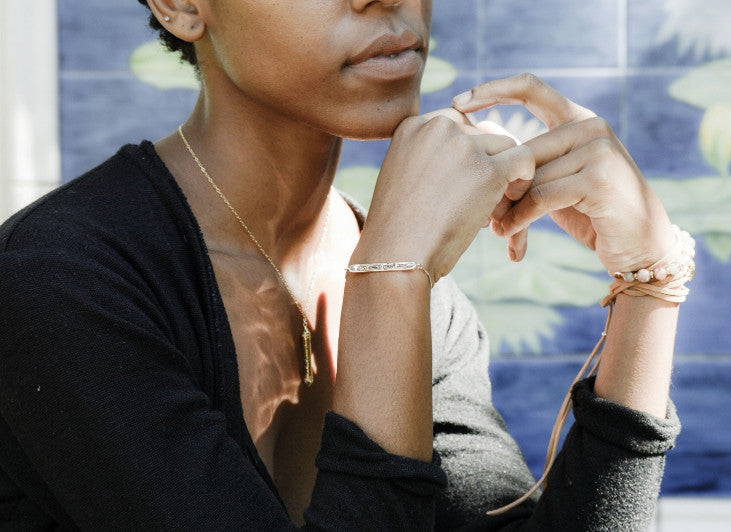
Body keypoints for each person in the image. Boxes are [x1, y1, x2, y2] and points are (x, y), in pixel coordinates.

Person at [0, 0, 686, 530]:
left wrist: (649, 285)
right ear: (180, 5)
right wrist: (392, 277)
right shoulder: (59, 281)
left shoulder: (413, 284)